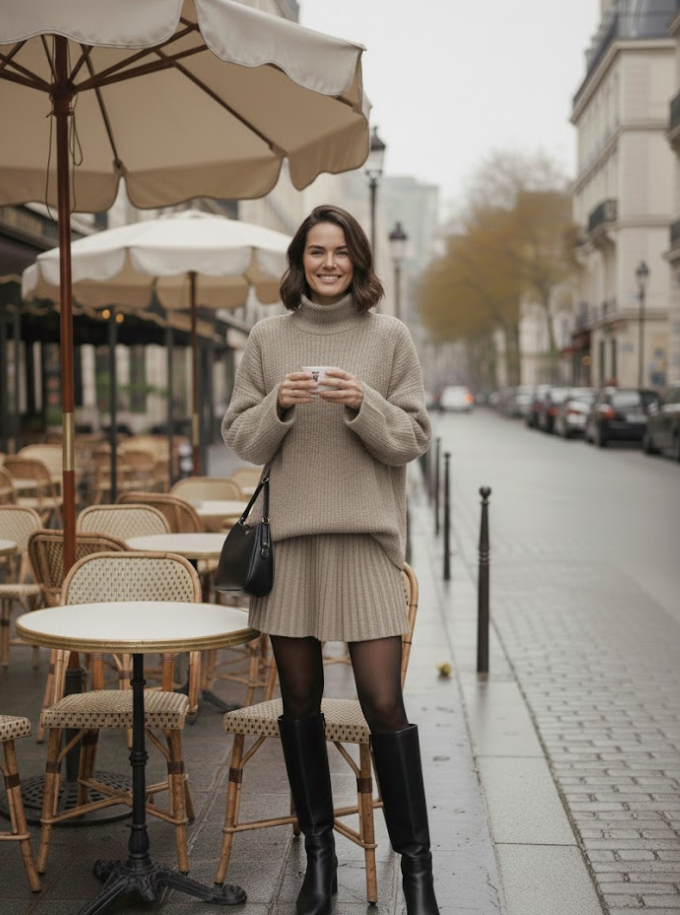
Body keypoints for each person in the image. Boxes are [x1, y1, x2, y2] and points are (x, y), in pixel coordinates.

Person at [221, 204, 437, 915]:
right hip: (293, 556)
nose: (327, 262)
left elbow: (410, 438)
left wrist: (362, 400)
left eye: (339, 251)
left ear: (358, 259)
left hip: (366, 547)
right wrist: (277, 404)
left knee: (384, 703)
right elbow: (242, 439)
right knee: (301, 706)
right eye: (315, 250)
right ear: (299, 258)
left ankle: (416, 874)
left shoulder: (389, 336)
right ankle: (319, 858)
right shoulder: (266, 337)